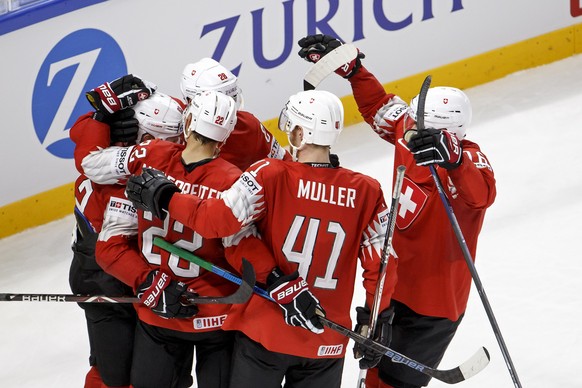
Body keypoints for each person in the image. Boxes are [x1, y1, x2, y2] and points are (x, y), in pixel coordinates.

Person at [125, 89, 398, 388]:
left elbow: (219, 223)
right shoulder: (367, 191)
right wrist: (374, 321)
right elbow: (382, 267)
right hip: (326, 341)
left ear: (299, 134)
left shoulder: (268, 174)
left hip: (264, 330)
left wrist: (166, 196)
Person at [296, 34, 497, 388]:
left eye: (423, 128)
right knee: (369, 374)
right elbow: (381, 107)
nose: (411, 129)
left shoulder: (469, 159)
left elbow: (481, 192)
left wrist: (454, 159)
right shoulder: (411, 132)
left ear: (449, 133)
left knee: (388, 384)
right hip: (390, 286)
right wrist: (354, 70)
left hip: (433, 306)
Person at [74, 88, 284, 388]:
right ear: (225, 139)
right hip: (219, 315)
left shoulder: (146, 158)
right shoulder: (233, 180)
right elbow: (242, 245)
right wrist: (277, 280)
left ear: (187, 123)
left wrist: (147, 281)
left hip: (158, 316)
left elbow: (92, 169)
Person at [68, 75, 175, 388]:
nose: (176, 144)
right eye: (167, 138)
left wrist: (104, 114)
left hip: (112, 265)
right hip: (105, 276)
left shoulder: (109, 150)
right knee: (114, 375)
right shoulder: (124, 180)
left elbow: (82, 134)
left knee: (120, 365)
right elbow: (113, 251)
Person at [179, 57, 292, 171]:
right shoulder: (171, 123)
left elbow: (286, 166)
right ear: (190, 101)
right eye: (218, 104)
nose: (228, 111)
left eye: (232, 100)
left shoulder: (248, 126)